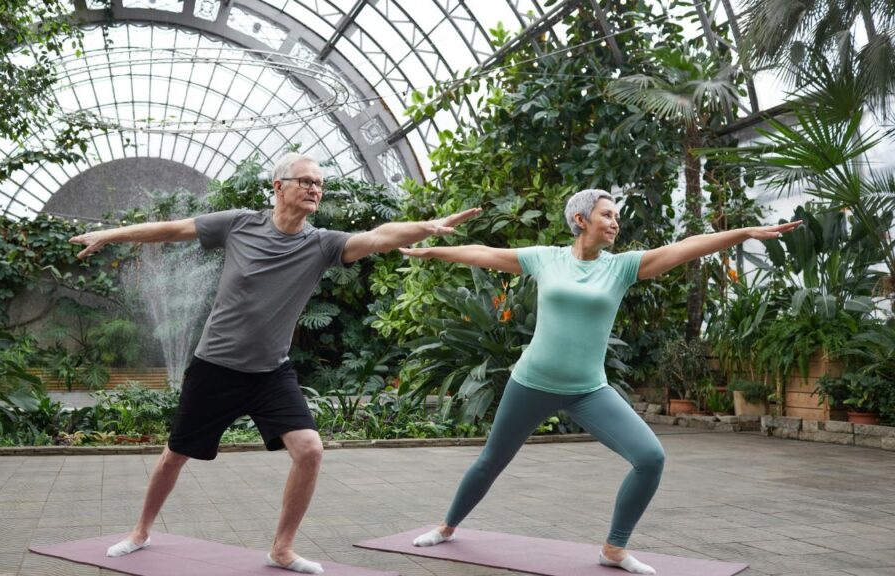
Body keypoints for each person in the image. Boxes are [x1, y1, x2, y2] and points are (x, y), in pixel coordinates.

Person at [70, 152, 480, 575]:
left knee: (310, 450)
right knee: (175, 455)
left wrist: (429, 227)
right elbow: (174, 229)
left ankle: (282, 549)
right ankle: (140, 532)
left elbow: (378, 236)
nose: (314, 189)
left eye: (319, 184)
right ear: (278, 186)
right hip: (215, 367)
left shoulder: (322, 244)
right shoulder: (240, 224)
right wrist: (113, 234)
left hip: (270, 372)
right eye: (305, 181)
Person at [400, 189, 801, 575]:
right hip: (531, 382)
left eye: (616, 216)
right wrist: (433, 249)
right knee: (491, 461)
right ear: (580, 219)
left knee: (650, 458)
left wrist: (744, 233)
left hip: (588, 390)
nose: (615, 223)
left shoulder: (622, 266)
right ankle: (447, 527)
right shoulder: (546, 259)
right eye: (607, 215)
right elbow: (485, 254)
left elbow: (686, 247)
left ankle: (614, 548)